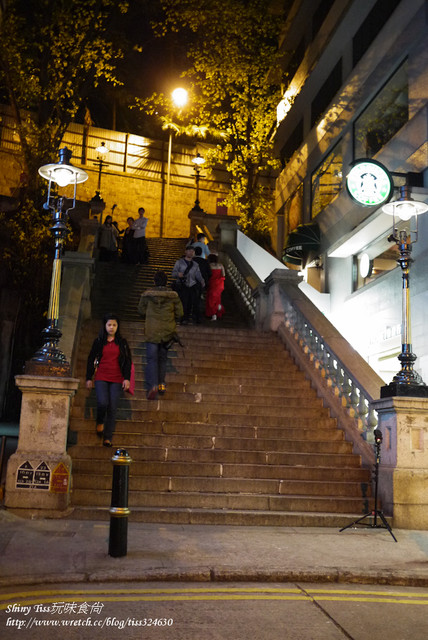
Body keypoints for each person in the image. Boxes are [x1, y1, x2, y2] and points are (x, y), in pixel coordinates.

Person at [85, 313, 132, 447]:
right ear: (105, 326)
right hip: (101, 377)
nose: (112, 327)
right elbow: (90, 359)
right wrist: (88, 378)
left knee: (112, 407)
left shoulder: (122, 343)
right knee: (102, 402)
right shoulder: (99, 341)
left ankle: (108, 437)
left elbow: (128, 362)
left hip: (117, 378)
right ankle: (100, 421)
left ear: (118, 326)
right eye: (109, 325)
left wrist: (127, 379)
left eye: (114, 325)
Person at [138, 270, 183, 400]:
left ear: (154, 281)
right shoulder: (173, 296)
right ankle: (162, 384)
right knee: (162, 359)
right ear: (166, 282)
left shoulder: (147, 295)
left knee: (152, 359)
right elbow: (180, 313)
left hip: (152, 331)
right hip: (167, 332)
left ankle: (153, 385)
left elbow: (140, 310)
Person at [171, 245, 205, 324]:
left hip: (192, 285)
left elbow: (198, 274)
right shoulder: (179, 262)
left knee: (190, 302)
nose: (191, 253)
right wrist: (178, 274)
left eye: (192, 251)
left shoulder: (195, 265)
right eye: (189, 251)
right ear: (186, 252)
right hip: (182, 285)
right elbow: (173, 273)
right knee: (183, 302)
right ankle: (183, 317)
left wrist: (202, 281)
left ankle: (187, 317)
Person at [205, 254, 225, 321]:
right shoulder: (221, 265)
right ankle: (218, 307)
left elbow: (207, 275)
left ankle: (214, 313)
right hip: (220, 284)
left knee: (211, 299)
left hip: (212, 284)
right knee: (217, 298)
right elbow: (223, 275)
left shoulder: (209, 266)